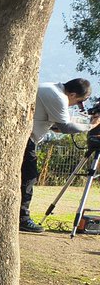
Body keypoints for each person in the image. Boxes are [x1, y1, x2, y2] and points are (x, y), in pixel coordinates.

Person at [22, 78, 100, 233]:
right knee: (29, 178)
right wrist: (91, 125)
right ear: (72, 94)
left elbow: (54, 125)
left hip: (27, 138)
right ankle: (23, 219)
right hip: (27, 140)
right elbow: (65, 127)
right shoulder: (58, 97)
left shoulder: (50, 88)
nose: (77, 106)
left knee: (27, 177)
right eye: (79, 102)